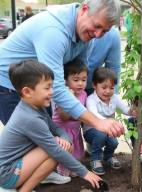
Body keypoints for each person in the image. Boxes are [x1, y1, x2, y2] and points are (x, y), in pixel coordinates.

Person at [0, 1, 124, 139]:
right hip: (10, 87)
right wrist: (97, 122)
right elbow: (57, 88)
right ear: (84, 9)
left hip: (40, 86)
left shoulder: (85, 34)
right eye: (97, 26)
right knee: (34, 144)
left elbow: (79, 70)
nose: (97, 34)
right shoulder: (53, 31)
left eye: (105, 31)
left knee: (56, 143)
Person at [0, 61, 101, 192]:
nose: (52, 92)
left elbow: (56, 128)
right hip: (7, 174)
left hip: (16, 165)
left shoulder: (34, 107)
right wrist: (85, 173)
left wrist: (64, 137)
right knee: (59, 148)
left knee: (63, 146)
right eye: (47, 88)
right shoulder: (29, 118)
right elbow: (56, 151)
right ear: (27, 92)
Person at [83, 67, 136, 175]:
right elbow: (94, 114)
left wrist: (133, 111)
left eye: (111, 88)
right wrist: (109, 122)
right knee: (101, 135)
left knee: (114, 142)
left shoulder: (114, 98)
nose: (108, 91)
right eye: (104, 87)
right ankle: (95, 160)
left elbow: (125, 109)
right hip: (91, 131)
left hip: (108, 131)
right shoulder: (91, 100)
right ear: (94, 85)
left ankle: (108, 156)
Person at [52, 58, 88, 177]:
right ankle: (61, 171)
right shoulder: (63, 95)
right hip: (63, 129)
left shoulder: (84, 94)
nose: (80, 83)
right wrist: (71, 100)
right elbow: (64, 117)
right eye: (76, 80)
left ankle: (72, 168)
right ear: (66, 81)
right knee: (65, 149)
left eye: (84, 80)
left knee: (76, 150)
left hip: (75, 129)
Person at [84, 27, 121, 95]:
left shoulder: (112, 35)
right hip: (67, 87)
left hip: (93, 88)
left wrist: (113, 97)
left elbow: (114, 69)